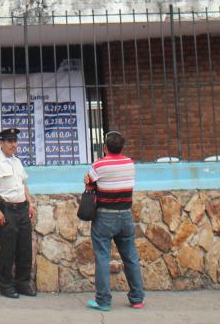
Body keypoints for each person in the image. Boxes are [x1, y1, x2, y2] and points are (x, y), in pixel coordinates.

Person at [84, 130, 144, 311]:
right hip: (125, 215)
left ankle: (103, 301)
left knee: (102, 257)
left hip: (105, 216)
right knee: (130, 256)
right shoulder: (129, 163)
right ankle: (137, 298)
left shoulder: (99, 165)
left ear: (105, 147)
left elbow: (89, 184)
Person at [0, 127, 36, 298]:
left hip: (22, 210)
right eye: (10, 141)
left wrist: (30, 202)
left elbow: (23, 184)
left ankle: (23, 283)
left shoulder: (16, 161)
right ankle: (6, 285)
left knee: (25, 249)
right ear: (2, 143)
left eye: (15, 141)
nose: (14, 144)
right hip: (7, 211)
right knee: (8, 250)